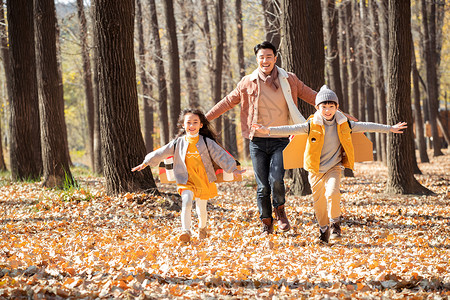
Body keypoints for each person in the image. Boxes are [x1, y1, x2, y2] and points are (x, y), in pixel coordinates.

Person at [253, 85, 407, 243]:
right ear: (317, 107)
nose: (327, 110)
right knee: (319, 203)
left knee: (333, 193)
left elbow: (366, 125)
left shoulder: (344, 123)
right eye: (324, 107)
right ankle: (323, 229)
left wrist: (390, 128)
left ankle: (335, 225)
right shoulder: (311, 125)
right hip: (315, 170)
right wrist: (269, 131)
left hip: (333, 167)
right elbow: (292, 128)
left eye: (331, 107)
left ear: (337, 107)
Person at [206, 41, 317, 235]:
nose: (265, 60)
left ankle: (280, 211)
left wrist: (338, 111)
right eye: (261, 57)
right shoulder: (247, 82)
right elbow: (227, 102)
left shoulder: (289, 79)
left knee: (276, 179)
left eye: (268, 57)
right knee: (262, 186)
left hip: (281, 138)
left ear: (275, 58)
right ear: (257, 59)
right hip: (256, 141)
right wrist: (203, 119)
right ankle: (266, 222)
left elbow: (312, 96)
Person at [132, 109, 246, 242]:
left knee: (201, 209)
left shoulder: (206, 142)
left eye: (195, 122)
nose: (191, 126)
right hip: (185, 179)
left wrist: (233, 169)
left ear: (201, 125)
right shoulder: (178, 142)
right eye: (188, 123)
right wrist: (146, 162)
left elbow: (219, 154)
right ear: (183, 125)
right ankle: (185, 231)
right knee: (186, 201)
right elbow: (161, 152)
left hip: (203, 179)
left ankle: (202, 228)